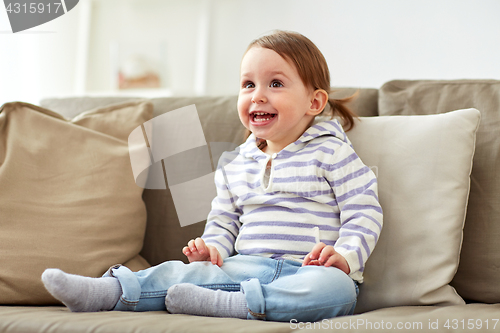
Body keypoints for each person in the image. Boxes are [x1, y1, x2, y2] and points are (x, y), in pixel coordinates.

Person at [42, 30, 382, 323]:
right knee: (179, 272)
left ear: (315, 101)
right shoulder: (235, 164)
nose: (257, 95)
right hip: (244, 267)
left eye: (275, 83)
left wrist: (345, 256)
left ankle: (237, 305)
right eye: (248, 84)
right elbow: (223, 223)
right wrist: (214, 250)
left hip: (309, 274)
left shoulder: (332, 152)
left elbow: (363, 211)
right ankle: (107, 291)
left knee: (336, 292)